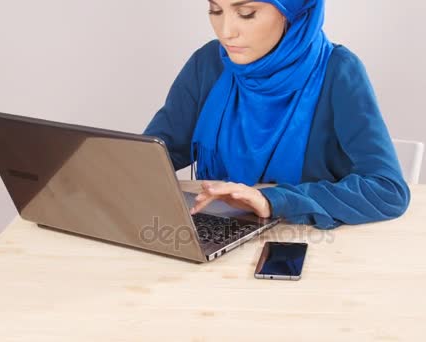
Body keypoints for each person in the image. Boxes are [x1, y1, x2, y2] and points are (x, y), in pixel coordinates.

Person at [144, 0, 410, 229]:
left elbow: (387, 190)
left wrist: (272, 200)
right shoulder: (208, 63)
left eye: (246, 13)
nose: (226, 32)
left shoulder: (339, 72)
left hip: (308, 243)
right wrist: (116, 166)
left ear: (289, 11)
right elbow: (158, 152)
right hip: (220, 233)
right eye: (215, 10)